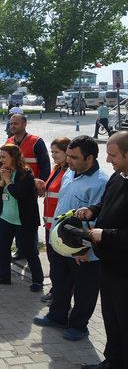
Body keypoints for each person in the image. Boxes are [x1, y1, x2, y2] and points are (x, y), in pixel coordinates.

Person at [33, 135, 108, 341]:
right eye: (68, 156)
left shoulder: (101, 182)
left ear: (90, 158)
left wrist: (84, 248)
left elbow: (100, 220)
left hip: (82, 250)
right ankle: (57, 316)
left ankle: (79, 325)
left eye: (74, 157)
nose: (69, 161)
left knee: (85, 289)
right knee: (60, 281)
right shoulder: (69, 173)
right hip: (61, 242)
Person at [76, 131, 128, 369]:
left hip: (124, 269)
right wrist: (93, 211)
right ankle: (113, 361)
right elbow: (106, 203)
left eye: (113, 155)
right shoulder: (118, 177)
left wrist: (104, 234)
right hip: (109, 263)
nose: (108, 160)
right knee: (111, 317)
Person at [0, 144, 44, 291]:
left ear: (13, 157)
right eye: (0, 156)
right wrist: (1, 182)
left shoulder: (25, 173)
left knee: (29, 250)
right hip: (5, 217)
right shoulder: (5, 172)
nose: (0, 160)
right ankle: (3, 275)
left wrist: (8, 181)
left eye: (3, 157)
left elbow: (18, 194)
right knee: (1, 248)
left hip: (24, 220)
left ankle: (38, 280)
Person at [6, 114, 51, 261]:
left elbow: (45, 165)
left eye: (16, 123)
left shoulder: (36, 142)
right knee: (17, 218)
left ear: (25, 124)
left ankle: (31, 249)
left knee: (29, 219)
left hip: (30, 187)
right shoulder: (9, 141)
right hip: (14, 186)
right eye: (11, 123)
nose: (13, 126)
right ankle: (21, 249)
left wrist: (42, 184)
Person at [38, 137, 71, 304]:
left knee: (60, 263)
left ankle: (60, 294)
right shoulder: (57, 169)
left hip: (59, 225)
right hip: (50, 224)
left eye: (57, 152)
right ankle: (56, 290)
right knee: (53, 260)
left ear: (68, 153)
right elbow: (50, 190)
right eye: (52, 152)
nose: (53, 155)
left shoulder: (69, 173)